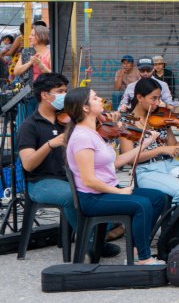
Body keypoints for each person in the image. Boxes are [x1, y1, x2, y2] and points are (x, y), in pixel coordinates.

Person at [62, 87, 168, 265]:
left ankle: (135, 249)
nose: (100, 99)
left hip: (106, 192)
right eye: (95, 98)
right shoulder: (82, 137)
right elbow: (89, 180)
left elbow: (114, 164)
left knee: (158, 198)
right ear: (85, 108)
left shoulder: (94, 134)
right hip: (93, 198)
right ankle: (144, 258)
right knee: (141, 205)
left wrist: (146, 143)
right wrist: (118, 192)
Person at [16, 73, 119, 257]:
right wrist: (50, 144)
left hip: (71, 176)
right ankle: (88, 241)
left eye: (66, 91)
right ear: (45, 95)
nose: (65, 95)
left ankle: (96, 237)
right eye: (60, 91)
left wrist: (109, 123)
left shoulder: (68, 121)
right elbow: (28, 164)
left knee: (109, 190)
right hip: (42, 182)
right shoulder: (29, 126)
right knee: (72, 196)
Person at [118, 78, 179, 217]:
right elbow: (130, 158)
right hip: (147, 171)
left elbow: (174, 148)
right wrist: (160, 150)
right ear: (139, 97)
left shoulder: (160, 119)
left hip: (172, 166)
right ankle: (172, 232)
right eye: (153, 98)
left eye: (159, 98)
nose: (157, 103)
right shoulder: (126, 122)